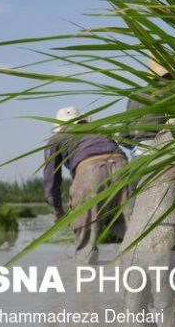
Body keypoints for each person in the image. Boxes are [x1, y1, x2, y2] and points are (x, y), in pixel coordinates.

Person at [43, 106, 128, 264]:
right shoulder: (99, 130)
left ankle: (86, 281)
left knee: (86, 235)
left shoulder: (57, 138)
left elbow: (51, 183)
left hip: (90, 173)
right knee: (130, 227)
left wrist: (58, 212)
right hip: (123, 167)